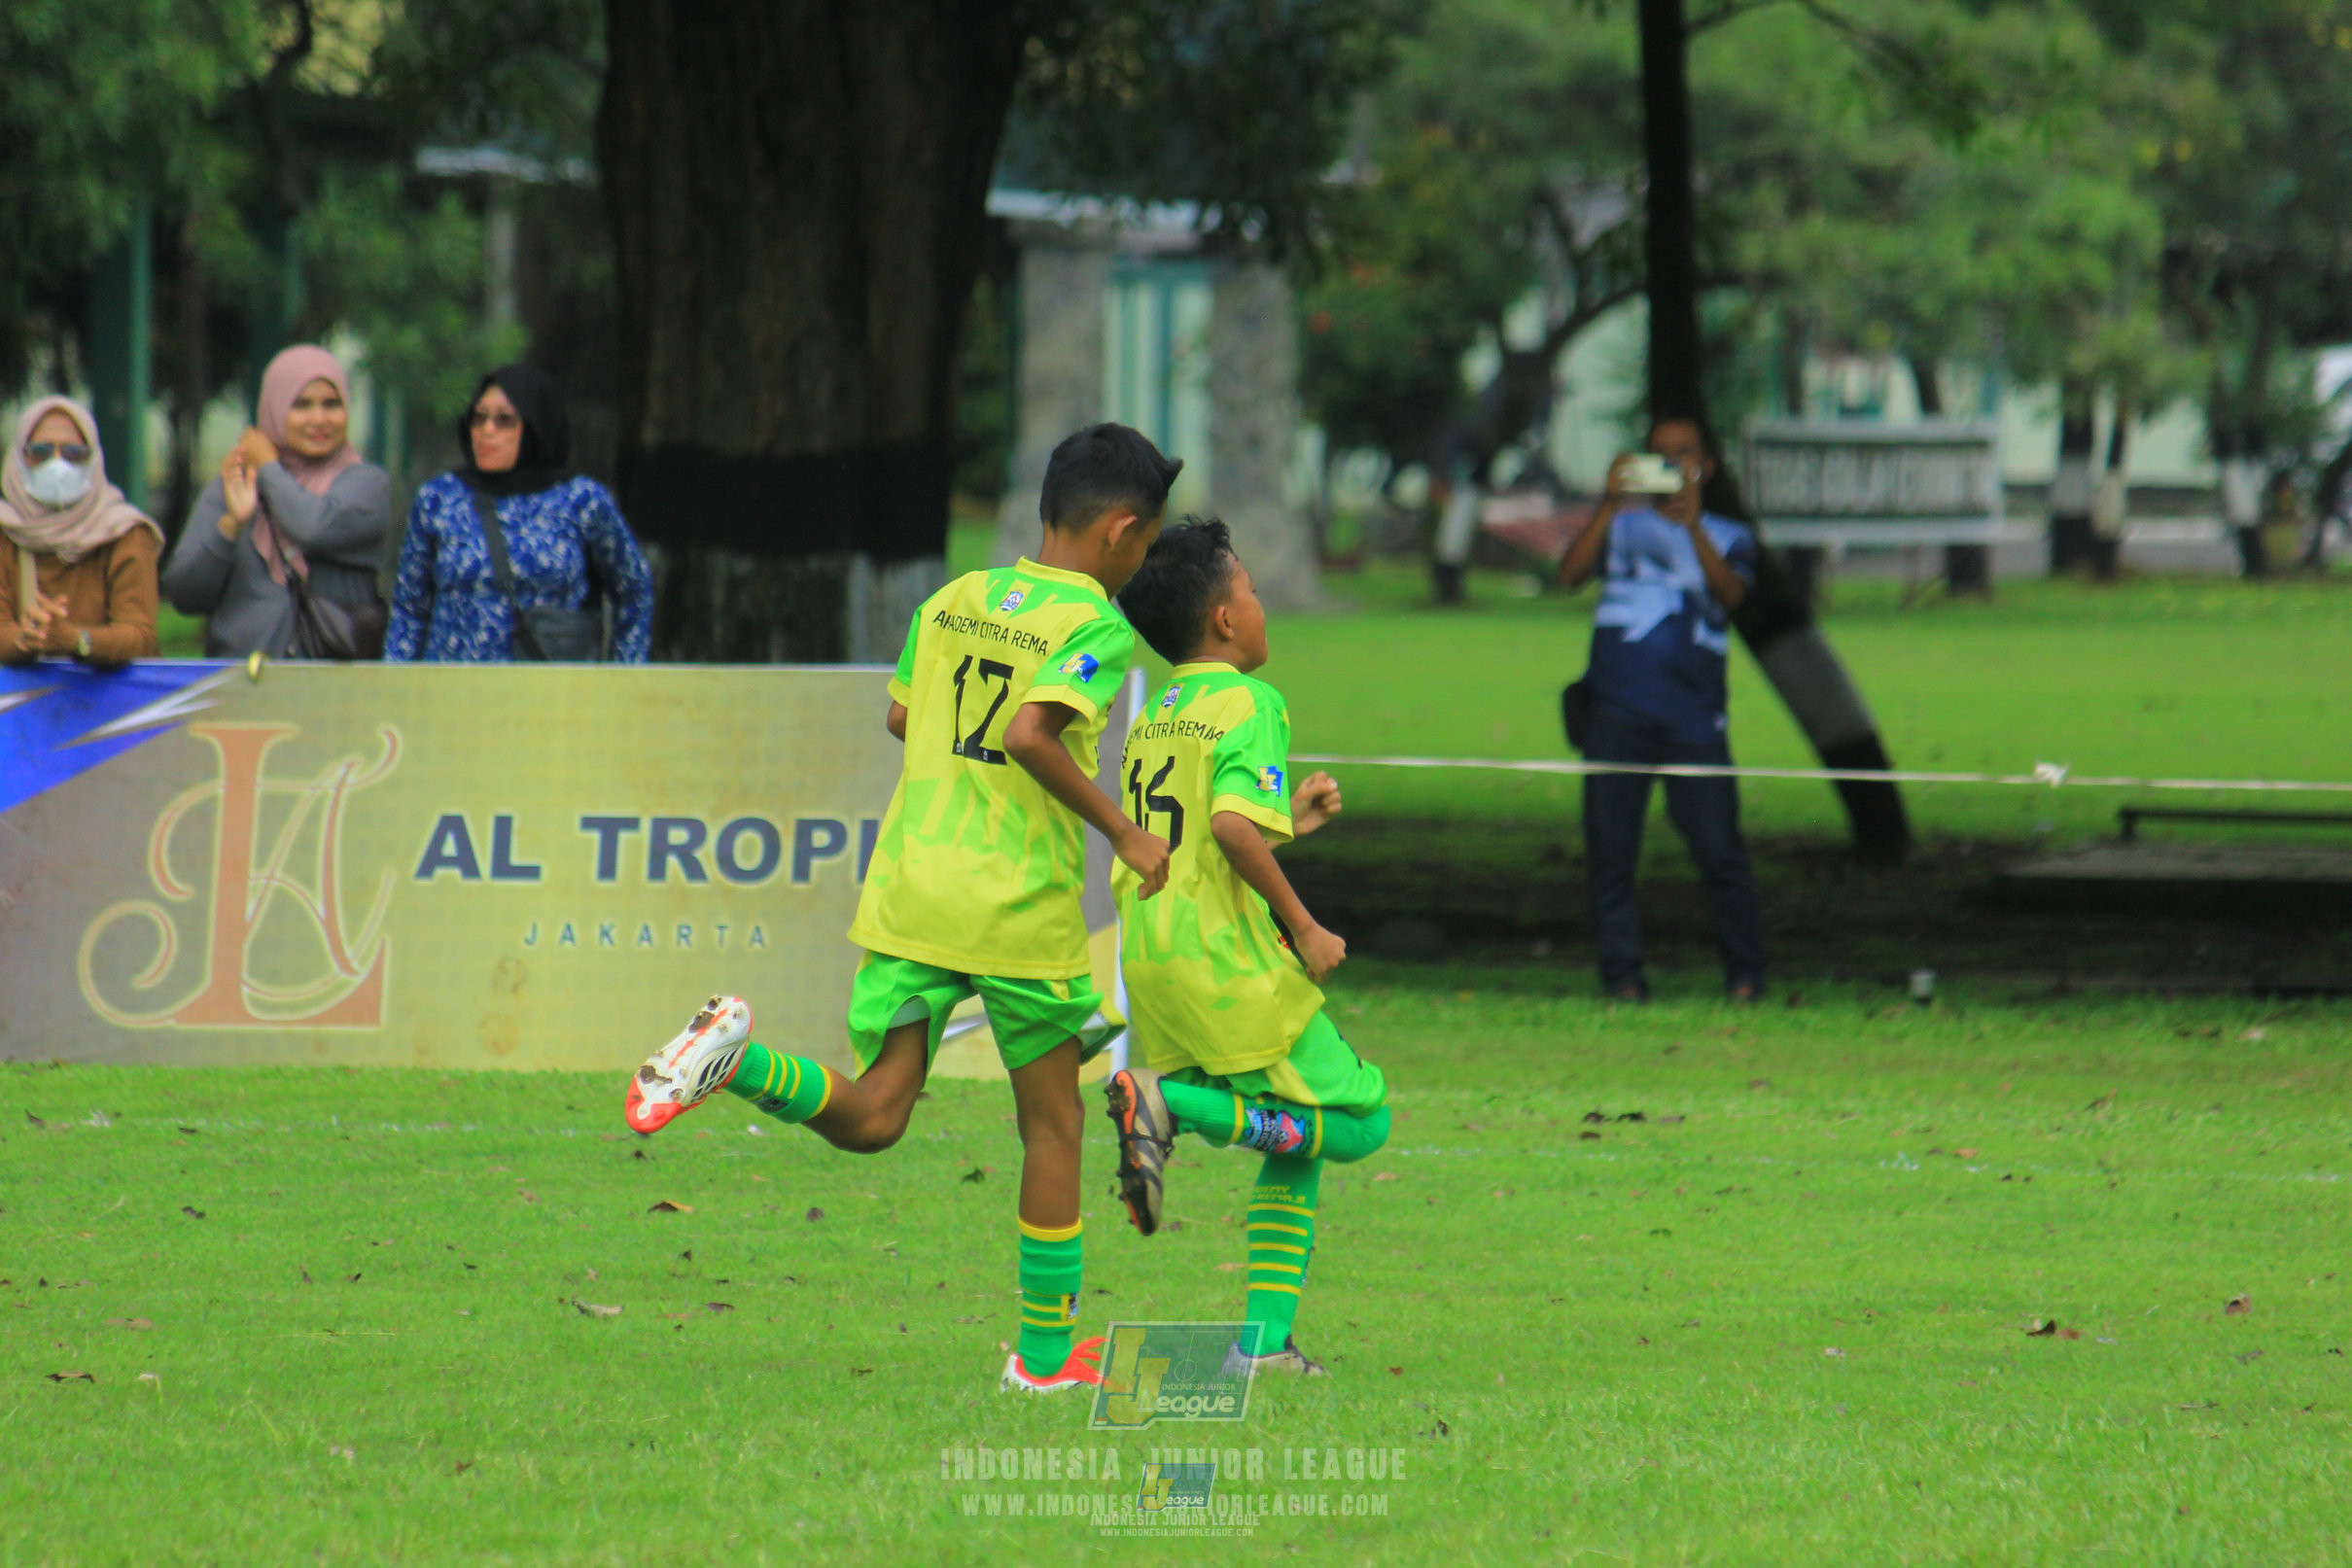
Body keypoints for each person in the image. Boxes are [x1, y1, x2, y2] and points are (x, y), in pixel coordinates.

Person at [616, 423, 1182, 1393]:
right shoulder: (1094, 623)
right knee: (1052, 1125)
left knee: (878, 1112)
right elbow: (1031, 733)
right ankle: (1045, 1358)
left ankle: (736, 1057)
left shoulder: (954, 598)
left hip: (913, 884)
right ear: (1122, 532)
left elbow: (901, 714)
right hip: (1010, 902)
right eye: (1146, 542)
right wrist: (1124, 832)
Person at [1099, 516, 1391, 1377]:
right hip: (1229, 964)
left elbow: (1204, 833)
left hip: (1156, 955)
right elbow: (1227, 824)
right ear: (1225, 619)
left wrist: (1286, 825)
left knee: (1291, 1136)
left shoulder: (1159, 709)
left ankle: (1261, 1347)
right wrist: (1304, 925)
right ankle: (1168, 1107)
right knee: (1359, 1120)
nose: (1262, 606)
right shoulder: (1250, 702)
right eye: (1254, 591)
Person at [1556, 417, 1766, 1001]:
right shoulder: (1619, 528)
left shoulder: (1728, 533)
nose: (1671, 467)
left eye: (1683, 456)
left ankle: (1745, 975)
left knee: (1721, 852)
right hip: (1616, 713)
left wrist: (1693, 524)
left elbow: (1733, 597)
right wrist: (1607, 504)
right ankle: (1622, 978)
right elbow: (1569, 575)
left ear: (1707, 466)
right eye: (1659, 456)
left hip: (1695, 721)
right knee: (1610, 853)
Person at [385, 365, 651, 661]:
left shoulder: (582, 500)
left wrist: (623, 678)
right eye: (479, 418)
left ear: (537, 426)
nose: (487, 431)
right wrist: (399, 688)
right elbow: (410, 607)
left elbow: (634, 589)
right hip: (453, 694)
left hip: (550, 696)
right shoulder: (439, 498)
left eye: (505, 420)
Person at [160, 345, 391, 657]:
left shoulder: (366, 484)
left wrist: (268, 469)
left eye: (332, 404)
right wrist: (231, 527)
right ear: (275, 407)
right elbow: (185, 596)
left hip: (337, 685)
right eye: (301, 405)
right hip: (244, 687)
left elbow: (313, 527)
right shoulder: (233, 486)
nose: (319, 419)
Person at [1, 397, 161, 667]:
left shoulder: (124, 532)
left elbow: (139, 636)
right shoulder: (5, 531)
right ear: (19, 458)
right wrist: (26, 639)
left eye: (74, 453)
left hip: (116, 704)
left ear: (94, 460)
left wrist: (78, 640)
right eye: (41, 452)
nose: (57, 464)